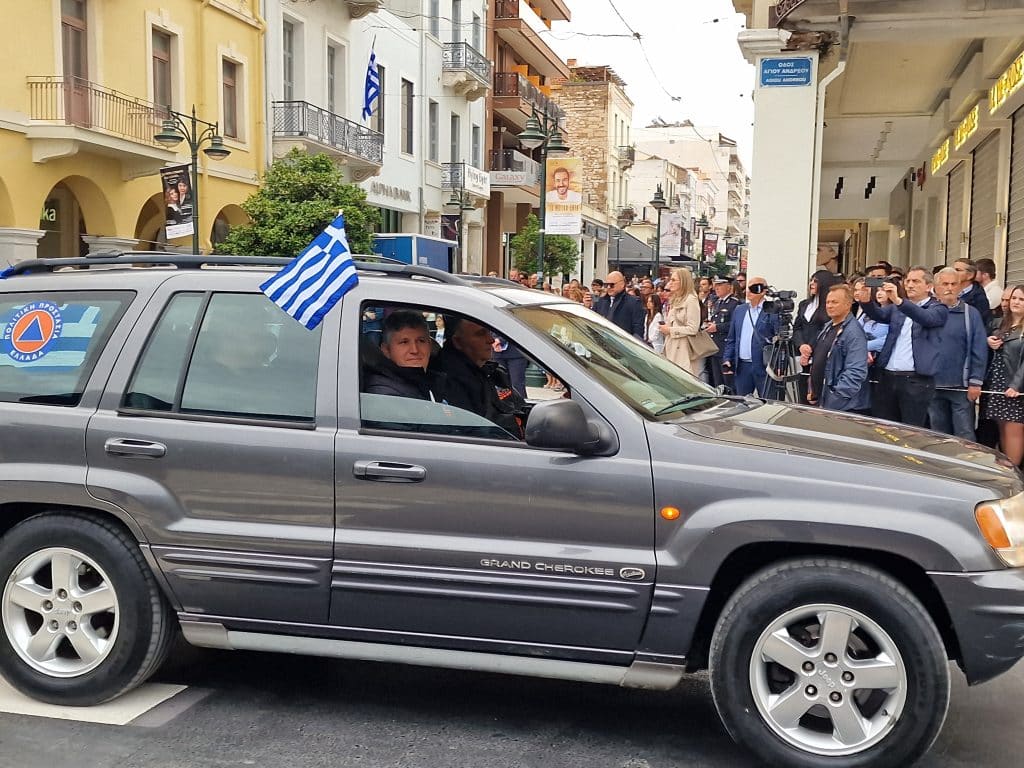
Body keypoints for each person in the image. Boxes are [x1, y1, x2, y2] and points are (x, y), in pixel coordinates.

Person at [859, 266, 947, 427]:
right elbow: (879, 315)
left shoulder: (938, 308)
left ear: (929, 286)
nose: (910, 285)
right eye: (908, 281)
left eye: (916, 281)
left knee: (911, 430)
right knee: (884, 428)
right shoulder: (897, 308)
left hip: (915, 380)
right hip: (888, 376)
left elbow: (925, 318)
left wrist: (899, 301)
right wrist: (865, 301)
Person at [433, 316, 528, 438]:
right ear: (458, 341)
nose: (491, 340)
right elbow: (478, 433)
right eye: (480, 334)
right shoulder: (451, 382)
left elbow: (519, 406)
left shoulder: (493, 371)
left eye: (488, 332)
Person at [928, 267, 987, 441]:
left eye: (954, 284)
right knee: (938, 434)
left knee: (965, 434)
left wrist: (975, 381)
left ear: (960, 287)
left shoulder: (971, 314)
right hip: (933, 385)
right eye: (945, 284)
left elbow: (979, 348)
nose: (950, 288)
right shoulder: (927, 312)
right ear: (935, 287)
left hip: (961, 387)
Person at [801, 284, 870, 412]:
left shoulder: (853, 332)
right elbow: (818, 361)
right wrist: (812, 389)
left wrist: (835, 398)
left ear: (848, 304)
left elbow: (856, 372)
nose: (829, 305)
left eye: (835, 302)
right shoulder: (827, 327)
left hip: (843, 407)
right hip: (822, 400)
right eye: (827, 302)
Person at [363, 310, 446, 401]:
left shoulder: (436, 381)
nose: (414, 350)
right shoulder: (386, 395)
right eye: (404, 342)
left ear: (430, 346)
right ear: (386, 350)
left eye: (421, 341)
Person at [983, 285, 1024, 465]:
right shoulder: (1000, 323)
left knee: (1013, 430)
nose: (1015, 302)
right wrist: (989, 341)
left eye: (1021, 299)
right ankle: (1007, 469)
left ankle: (1014, 472)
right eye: (1014, 298)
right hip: (997, 382)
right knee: (1001, 428)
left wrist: (1016, 385)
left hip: (1014, 386)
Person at [722, 277, 780, 397]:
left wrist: (779, 364)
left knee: (768, 402)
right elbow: (732, 338)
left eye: (754, 288)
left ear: (763, 291)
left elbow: (779, 340)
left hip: (763, 366)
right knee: (742, 402)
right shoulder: (740, 310)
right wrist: (727, 358)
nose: (748, 291)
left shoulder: (772, 310)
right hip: (742, 366)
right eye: (748, 288)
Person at [794, 269, 843, 404]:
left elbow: (824, 330)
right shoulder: (804, 304)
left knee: (815, 395)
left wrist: (809, 348)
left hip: (819, 355)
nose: (811, 284)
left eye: (816, 281)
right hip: (803, 354)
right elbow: (797, 327)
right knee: (802, 394)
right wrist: (801, 345)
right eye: (811, 281)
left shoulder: (828, 307)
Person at [659, 269, 702, 374]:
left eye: (674, 280)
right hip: (671, 347)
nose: (671, 283)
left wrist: (670, 330)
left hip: (684, 350)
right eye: (671, 279)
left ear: (683, 281)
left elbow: (693, 328)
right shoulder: (675, 299)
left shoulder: (691, 300)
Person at [705, 277, 740, 389]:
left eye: (720, 285)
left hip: (725, 347)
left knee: (728, 383)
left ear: (729, 286)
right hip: (714, 346)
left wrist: (718, 327)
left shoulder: (734, 304)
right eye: (716, 285)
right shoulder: (717, 302)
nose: (717, 288)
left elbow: (735, 325)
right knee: (717, 382)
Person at [593, 270, 645, 339]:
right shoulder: (600, 302)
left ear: (622, 284)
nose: (608, 287)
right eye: (606, 285)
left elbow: (638, 330)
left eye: (612, 285)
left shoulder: (634, 302)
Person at [953, 258, 992, 326]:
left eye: (958, 270)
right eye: (952, 270)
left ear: (970, 275)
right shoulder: (947, 292)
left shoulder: (979, 298)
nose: (953, 273)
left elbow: (981, 324)